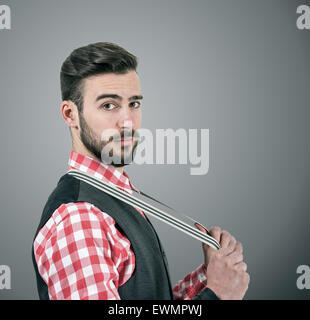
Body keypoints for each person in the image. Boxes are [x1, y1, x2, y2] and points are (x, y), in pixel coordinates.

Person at [32, 42, 250, 300]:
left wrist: (209, 279)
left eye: (134, 104)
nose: (127, 122)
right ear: (70, 114)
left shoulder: (117, 194)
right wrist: (218, 295)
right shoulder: (80, 217)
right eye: (109, 105)